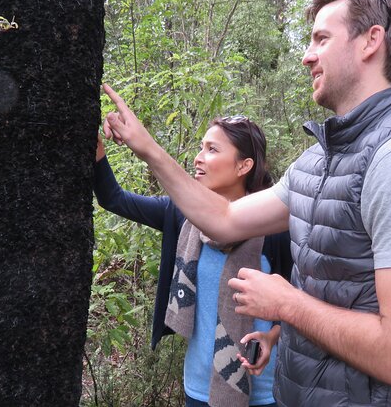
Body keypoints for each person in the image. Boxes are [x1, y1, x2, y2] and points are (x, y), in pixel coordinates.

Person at [102, 0, 391, 406]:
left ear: (371, 41)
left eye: (320, 39)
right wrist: (148, 149)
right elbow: (222, 218)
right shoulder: (316, 161)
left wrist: (287, 305)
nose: (306, 56)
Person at [94, 116, 292, 407]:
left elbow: (297, 299)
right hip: (198, 387)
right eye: (201, 148)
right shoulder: (179, 214)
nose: (198, 158)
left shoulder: (274, 228)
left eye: (212, 150)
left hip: (264, 391)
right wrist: (95, 145)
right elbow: (114, 199)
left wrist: (273, 335)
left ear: (243, 165)